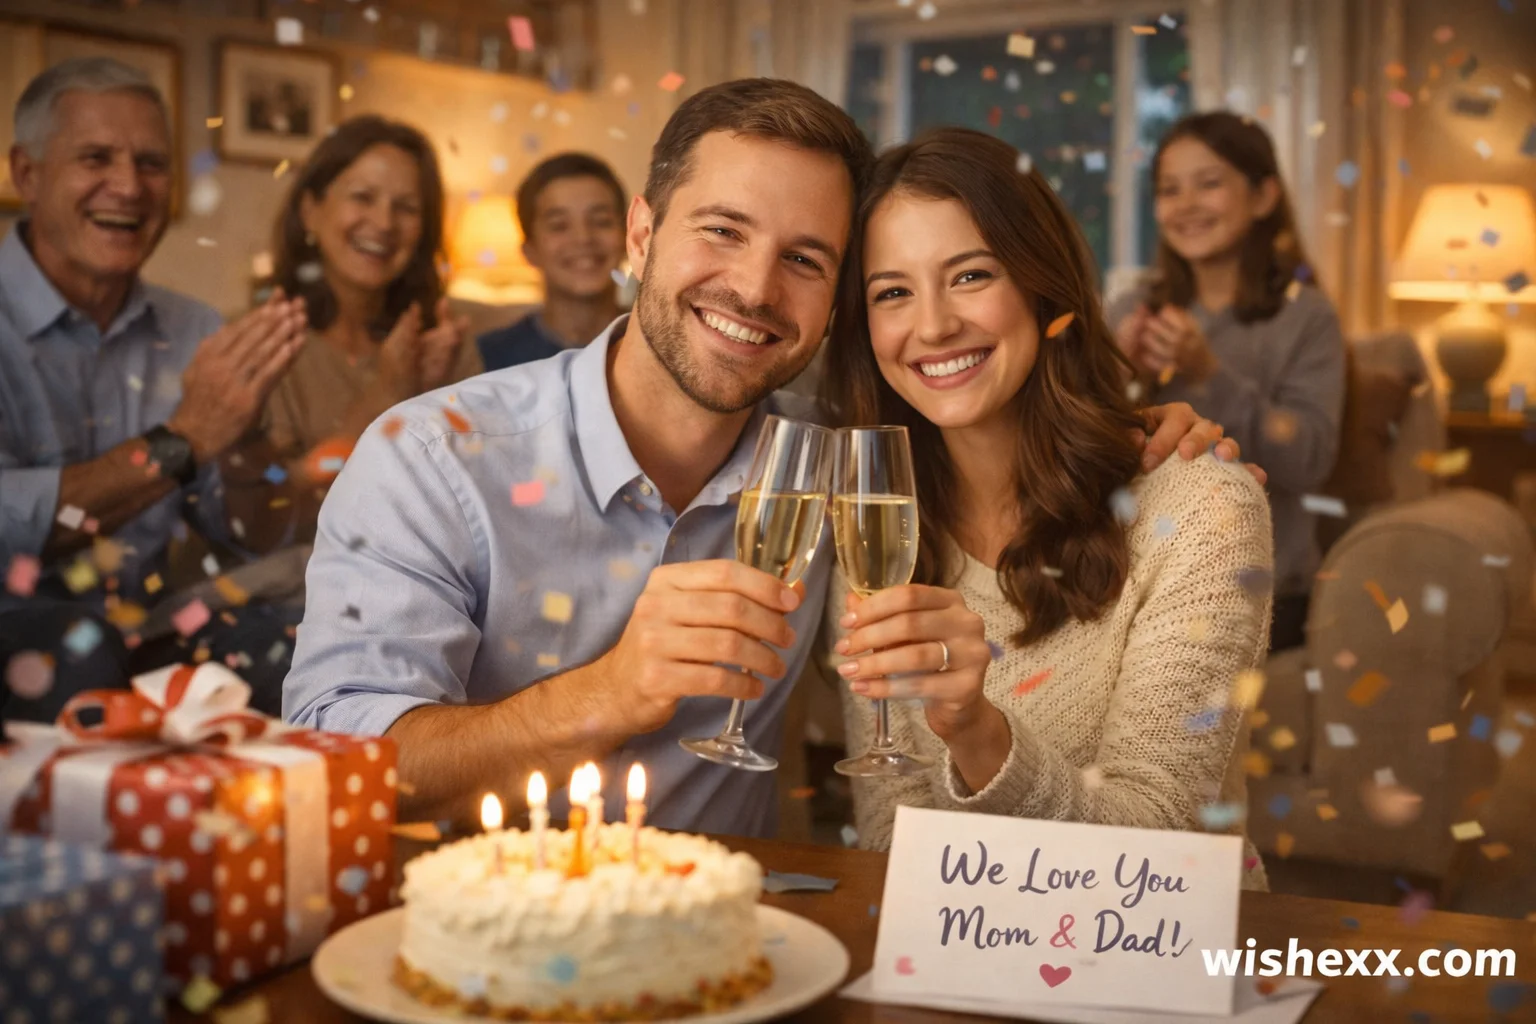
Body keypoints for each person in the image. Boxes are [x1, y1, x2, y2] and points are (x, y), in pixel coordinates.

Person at [283, 79, 1241, 837]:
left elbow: (988, 410)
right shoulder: (434, 457)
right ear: (642, 231)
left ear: (834, 308)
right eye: (722, 231)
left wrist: (1136, 433)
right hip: (466, 945)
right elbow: (329, 770)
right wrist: (607, 694)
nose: (751, 287)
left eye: (806, 259)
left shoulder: (843, 473)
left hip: (738, 947)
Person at [820, 127, 1272, 889]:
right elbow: (887, 829)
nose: (932, 326)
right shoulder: (878, 531)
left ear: (1044, 287)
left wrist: (979, 733)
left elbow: (1159, 842)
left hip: (1155, 969)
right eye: (892, 291)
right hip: (951, 956)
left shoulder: (1201, 508)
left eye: (970, 275)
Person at [0, 58, 306, 723]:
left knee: (297, 647)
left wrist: (248, 441)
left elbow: (253, 535)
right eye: (96, 158)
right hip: (24, 633)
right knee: (76, 651)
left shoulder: (192, 326)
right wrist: (186, 439)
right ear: (27, 174)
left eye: (151, 163)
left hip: (149, 629)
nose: (129, 187)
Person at [1108, 112, 1345, 651]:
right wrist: (1119, 376)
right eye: (1169, 189)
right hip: (1133, 578)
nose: (1185, 204)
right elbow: (1075, 449)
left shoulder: (1305, 316)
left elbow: (1308, 458)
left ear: (1263, 197)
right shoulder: (1130, 310)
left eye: (1209, 183)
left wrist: (1206, 374)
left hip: (1263, 584)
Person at [220, 116, 479, 559]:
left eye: (407, 207)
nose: (384, 222)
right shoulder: (258, 344)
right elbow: (265, 522)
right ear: (310, 211)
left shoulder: (444, 339)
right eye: (362, 197)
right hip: (287, 598)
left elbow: (475, 506)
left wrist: (435, 397)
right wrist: (386, 400)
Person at [476, 153, 628, 371]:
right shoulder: (490, 357)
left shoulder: (660, 343)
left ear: (628, 236)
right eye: (559, 226)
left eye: (601, 221)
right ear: (529, 251)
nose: (583, 238)